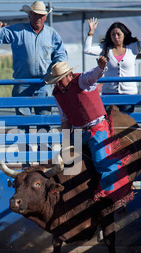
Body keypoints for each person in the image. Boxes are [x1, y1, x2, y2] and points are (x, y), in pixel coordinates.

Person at [44, 58, 133, 204]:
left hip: (97, 129)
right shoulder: (58, 94)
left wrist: (101, 67)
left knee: (101, 162)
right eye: (56, 81)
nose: (58, 84)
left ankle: (110, 196)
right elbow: (65, 119)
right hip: (78, 132)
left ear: (69, 75)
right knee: (66, 163)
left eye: (60, 80)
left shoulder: (82, 81)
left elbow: (94, 74)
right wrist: (65, 144)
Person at [0, 0, 67, 114]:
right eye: (35, 15)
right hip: (22, 83)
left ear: (45, 17)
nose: (38, 18)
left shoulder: (52, 34)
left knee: (44, 120)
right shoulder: (17, 31)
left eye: (41, 15)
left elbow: (61, 54)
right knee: (22, 121)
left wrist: (56, 69)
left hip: (44, 83)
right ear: (29, 15)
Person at [84, 4, 141, 114]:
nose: (116, 37)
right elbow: (87, 49)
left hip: (129, 95)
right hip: (109, 94)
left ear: (124, 35)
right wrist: (91, 32)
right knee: (111, 125)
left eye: (118, 34)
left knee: (126, 125)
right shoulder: (105, 49)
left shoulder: (133, 48)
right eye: (113, 35)